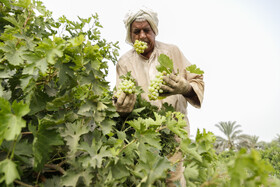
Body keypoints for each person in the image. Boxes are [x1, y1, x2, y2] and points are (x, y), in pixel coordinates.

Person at [114, 7, 204, 187]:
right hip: (143, 136)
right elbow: (119, 96)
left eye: (146, 30)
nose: (142, 36)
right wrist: (121, 108)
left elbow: (197, 79)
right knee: (146, 180)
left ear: (154, 31)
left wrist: (185, 88)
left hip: (174, 134)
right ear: (130, 36)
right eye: (136, 31)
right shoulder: (124, 62)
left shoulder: (173, 52)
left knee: (173, 180)